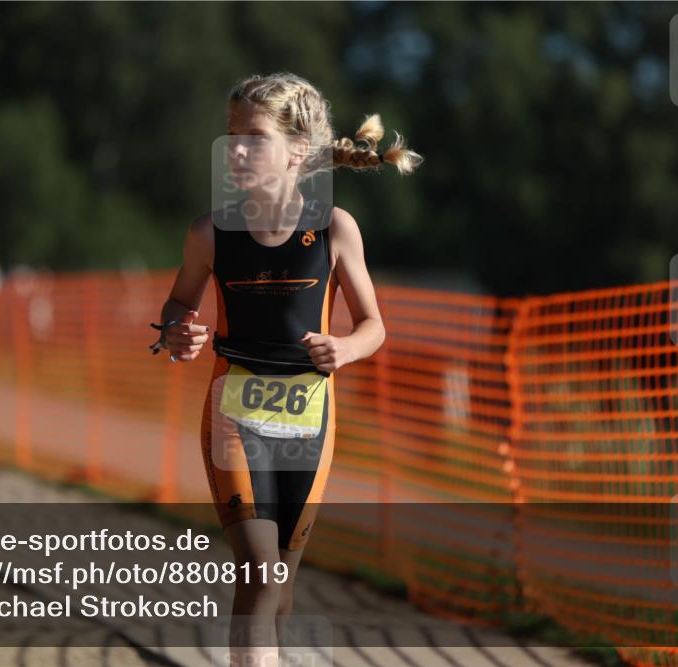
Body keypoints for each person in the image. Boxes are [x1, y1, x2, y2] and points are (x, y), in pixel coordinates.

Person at [150, 72, 422, 666]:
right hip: (234, 415)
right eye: (231, 135)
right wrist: (176, 331)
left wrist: (346, 349)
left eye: (253, 137)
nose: (236, 149)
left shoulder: (334, 229)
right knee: (261, 576)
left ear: (298, 150)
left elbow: (374, 324)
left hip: (309, 423)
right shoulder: (209, 233)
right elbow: (178, 304)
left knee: (283, 589)